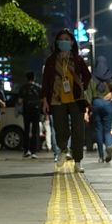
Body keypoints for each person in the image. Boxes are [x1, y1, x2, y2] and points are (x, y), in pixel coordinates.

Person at [42, 29, 91, 172]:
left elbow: (87, 76)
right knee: (60, 127)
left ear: (71, 42)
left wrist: (82, 87)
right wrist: (44, 99)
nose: (64, 41)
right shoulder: (51, 60)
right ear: (57, 42)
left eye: (67, 39)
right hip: (56, 98)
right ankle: (64, 149)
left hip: (75, 98)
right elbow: (45, 81)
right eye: (61, 39)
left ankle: (78, 162)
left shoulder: (77, 59)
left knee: (78, 129)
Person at [87, 56, 112, 163]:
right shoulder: (110, 76)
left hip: (96, 104)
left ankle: (101, 156)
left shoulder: (92, 78)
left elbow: (88, 96)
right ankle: (109, 145)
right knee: (107, 130)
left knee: (98, 130)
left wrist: (87, 110)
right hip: (107, 104)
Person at [19, 71, 42, 159]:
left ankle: (26, 151)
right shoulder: (38, 87)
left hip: (26, 111)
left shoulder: (23, 88)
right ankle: (34, 152)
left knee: (27, 130)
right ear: (34, 78)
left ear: (27, 78)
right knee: (35, 131)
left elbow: (20, 101)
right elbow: (42, 100)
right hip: (36, 111)